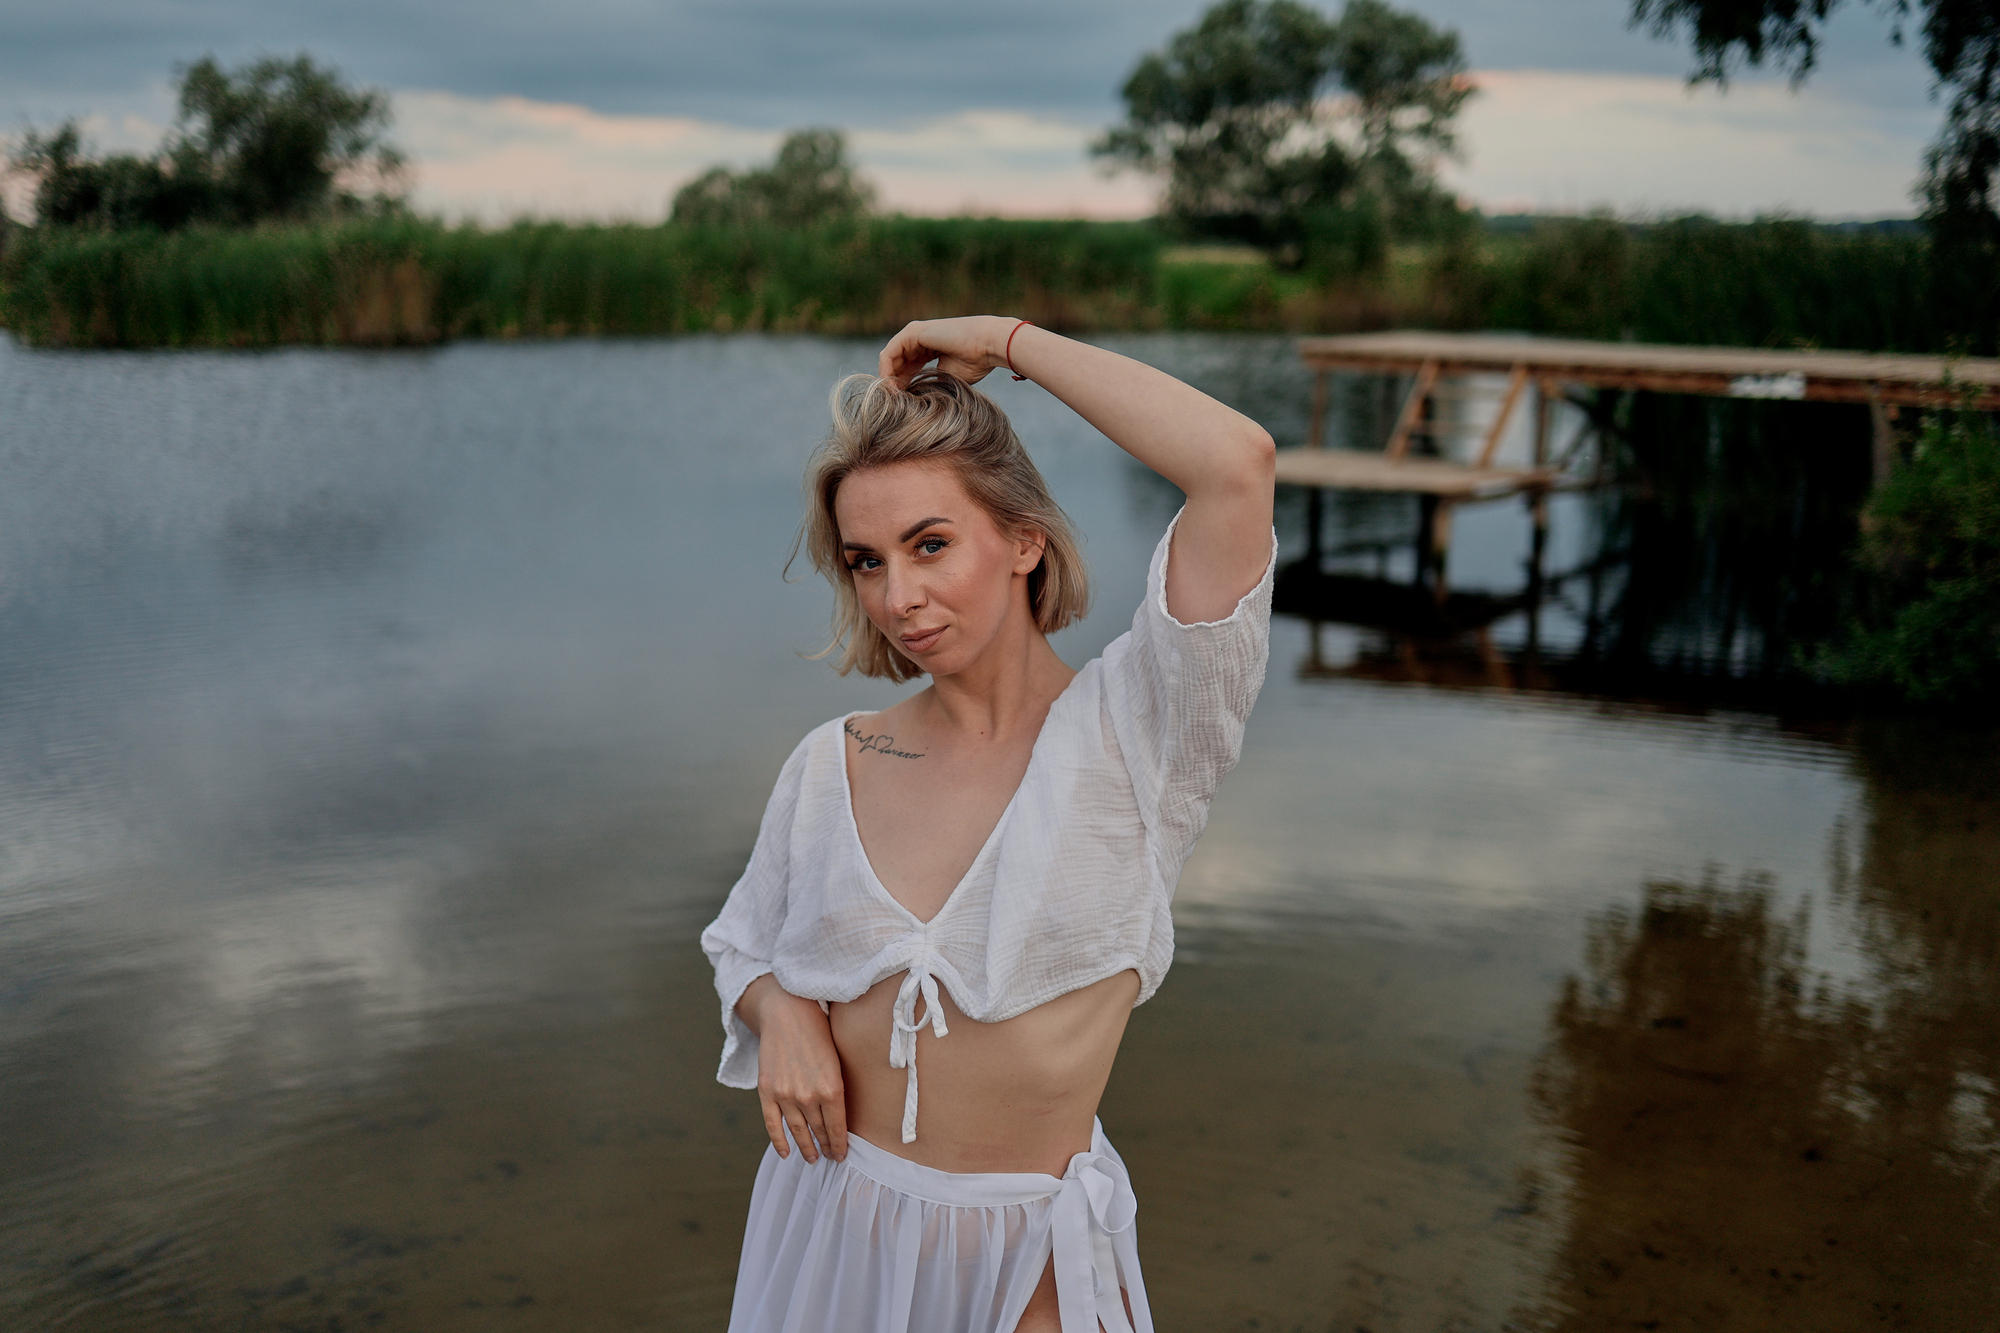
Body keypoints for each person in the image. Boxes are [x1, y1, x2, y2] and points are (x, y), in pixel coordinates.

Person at [699, 314, 1278, 1333]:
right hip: (827, 1232)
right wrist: (779, 1010)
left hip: (1030, 1265)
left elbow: (1235, 463)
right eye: (866, 561)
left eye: (930, 544)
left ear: (1023, 540)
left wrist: (1006, 341)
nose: (899, 596)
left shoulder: (1140, 734)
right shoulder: (834, 760)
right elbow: (740, 940)